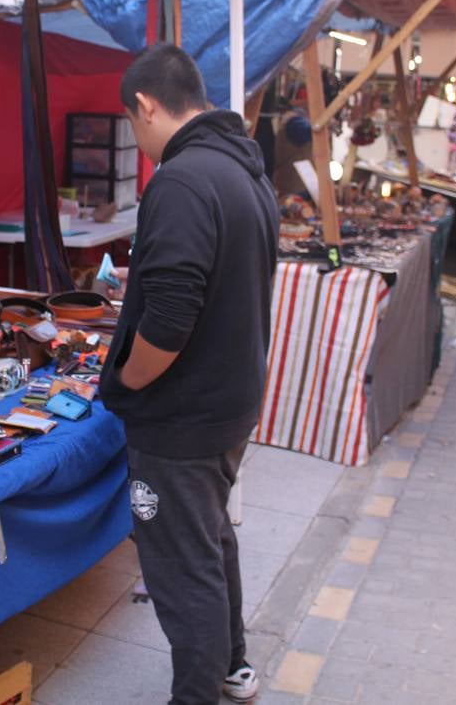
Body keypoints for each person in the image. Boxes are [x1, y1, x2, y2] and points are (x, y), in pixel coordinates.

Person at [98, 44, 277, 705]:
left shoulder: (181, 178)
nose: (139, 142)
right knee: (209, 538)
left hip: (183, 414)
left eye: (132, 122)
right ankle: (232, 664)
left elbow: (171, 319)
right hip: (230, 399)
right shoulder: (244, 167)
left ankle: (198, 693)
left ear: (145, 105)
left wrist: (129, 382)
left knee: (181, 567)